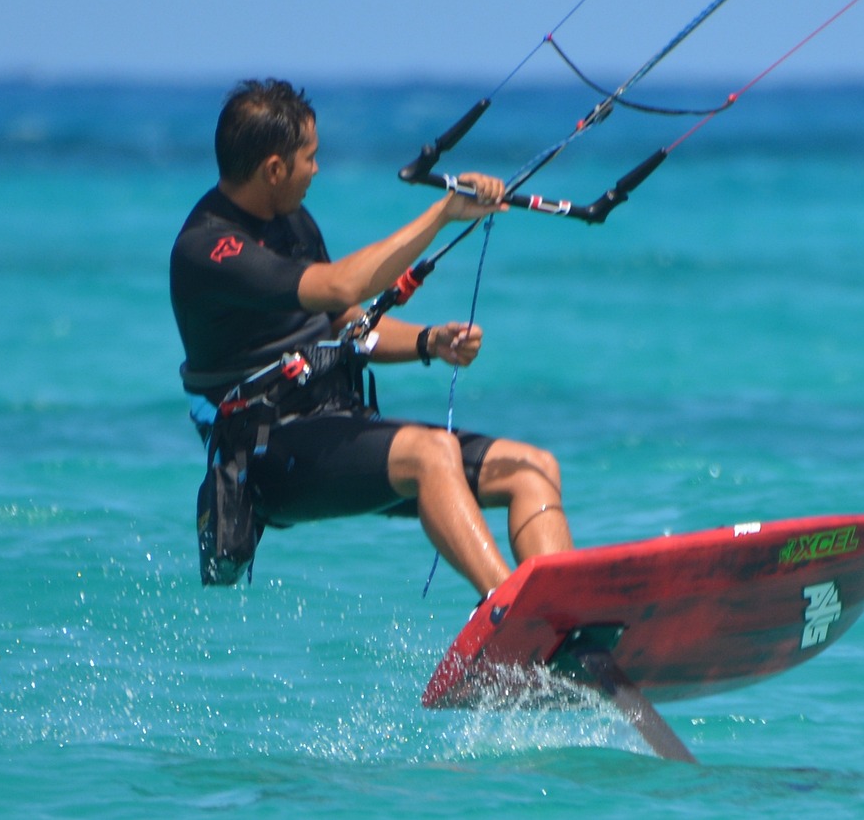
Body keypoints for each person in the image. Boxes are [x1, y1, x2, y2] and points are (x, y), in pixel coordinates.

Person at [170, 78, 573, 596]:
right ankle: (509, 609)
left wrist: (429, 342)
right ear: (274, 169)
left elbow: (346, 323)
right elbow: (340, 285)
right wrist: (443, 213)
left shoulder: (292, 220)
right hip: (266, 455)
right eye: (309, 157)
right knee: (431, 454)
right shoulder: (208, 250)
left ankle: (561, 616)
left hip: (334, 424)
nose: (317, 169)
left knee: (534, 468)